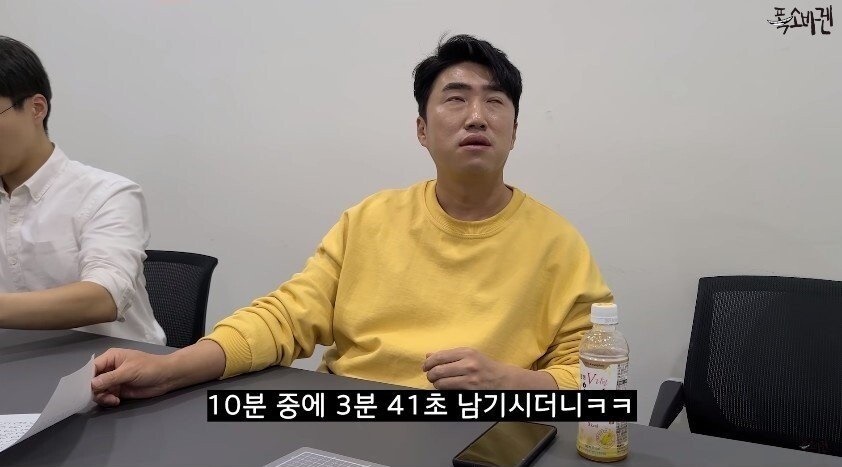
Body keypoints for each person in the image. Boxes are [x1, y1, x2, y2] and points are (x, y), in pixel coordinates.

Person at [91, 34, 612, 406]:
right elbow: (284, 318)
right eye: (456, 99)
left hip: (481, 432)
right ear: (422, 130)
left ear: (514, 131)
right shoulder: (371, 220)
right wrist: (170, 369)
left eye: (495, 102)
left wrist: (511, 382)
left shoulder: (557, 243)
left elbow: (596, 377)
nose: (477, 116)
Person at [0, 36, 165, 345]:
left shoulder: (109, 195)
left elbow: (104, 296)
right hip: (17, 365)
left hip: (115, 367)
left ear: (36, 108)